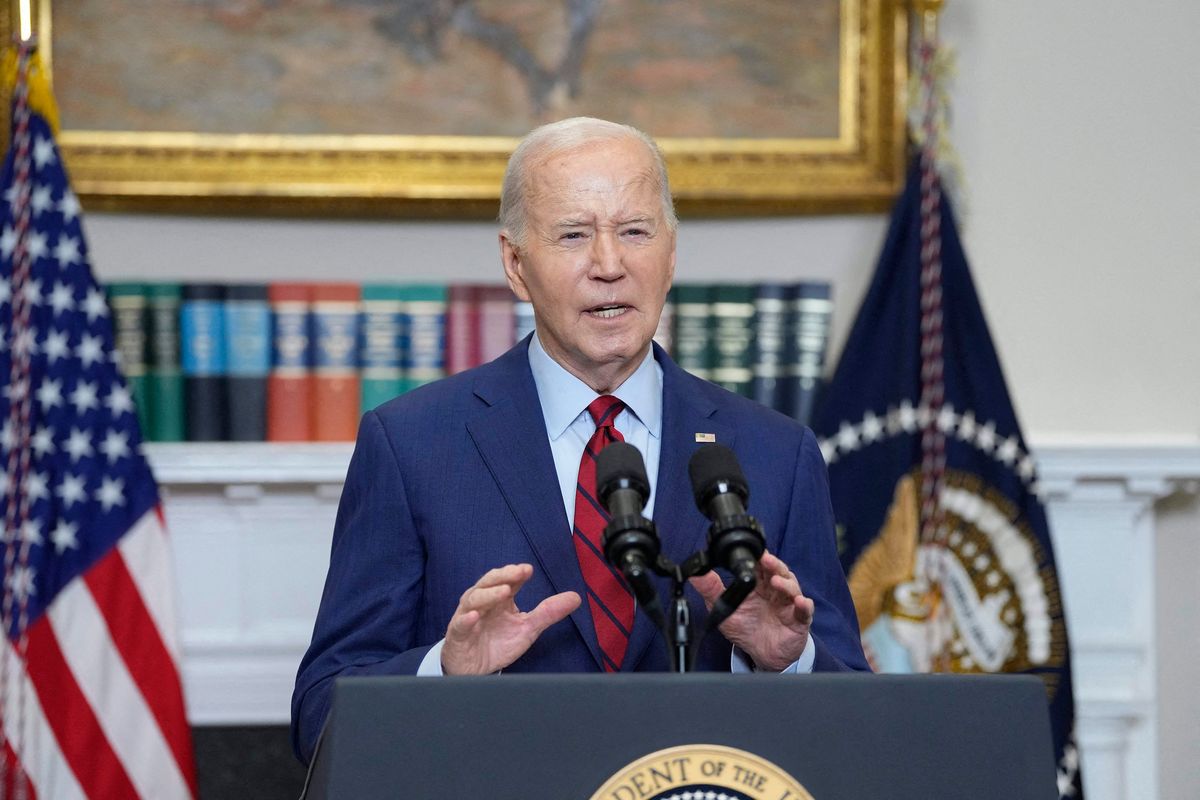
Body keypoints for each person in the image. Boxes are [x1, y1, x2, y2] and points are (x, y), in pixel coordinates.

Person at [291, 117, 870, 764]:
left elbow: (863, 731)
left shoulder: (774, 451)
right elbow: (320, 715)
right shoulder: (411, 445)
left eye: (635, 232)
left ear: (671, 254)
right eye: (573, 235)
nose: (609, 265)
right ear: (516, 264)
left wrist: (784, 662)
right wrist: (444, 675)